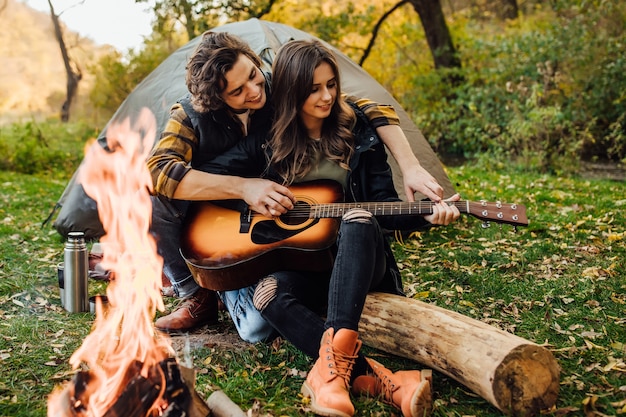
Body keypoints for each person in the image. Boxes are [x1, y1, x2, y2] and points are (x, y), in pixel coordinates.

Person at [198, 39, 461, 417]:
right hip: (310, 267)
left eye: (331, 85)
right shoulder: (266, 143)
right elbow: (209, 181)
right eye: (313, 89)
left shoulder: (359, 133)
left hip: (363, 262)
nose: (326, 97)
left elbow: (384, 207)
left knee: (357, 217)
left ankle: (333, 378)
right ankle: (381, 382)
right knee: (266, 295)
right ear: (290, 92)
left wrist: (426, 216)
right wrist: (248, 192)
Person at [147, 31, 447, 337]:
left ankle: (308, 318)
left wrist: (411, 167)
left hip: (278, 217)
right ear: (216, 100)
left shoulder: (276, 85)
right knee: (151, 199)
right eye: (238, 91)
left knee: (262, 322)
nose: (254, 91)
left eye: (253, 74)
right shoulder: (191, 116)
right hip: (218, 208)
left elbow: (363, 107)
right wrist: (244, 189)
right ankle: (198, 293)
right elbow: (158, 171)